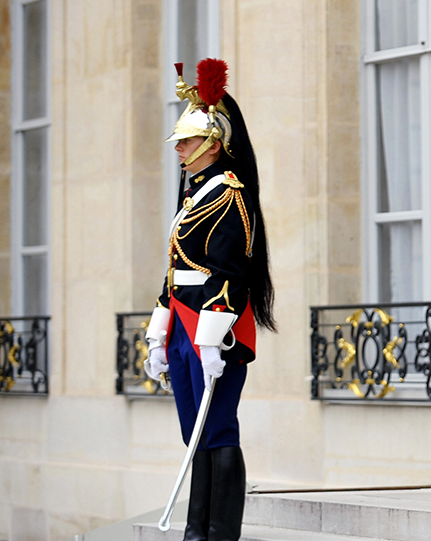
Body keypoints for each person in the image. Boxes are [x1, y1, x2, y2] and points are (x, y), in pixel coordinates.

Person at [142, 58, 276, 541]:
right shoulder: (194, 195)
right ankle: (196, 527)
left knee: (216, 426)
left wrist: (213, 338)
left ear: (214, 143)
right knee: (193, 430)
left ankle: (221, 530)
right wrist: (158, 331)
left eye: (188, 141)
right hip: (182, 321)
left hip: (212, 325)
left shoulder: (230, 196)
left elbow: (229, 274)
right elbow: (175, 269)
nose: (179, 148)